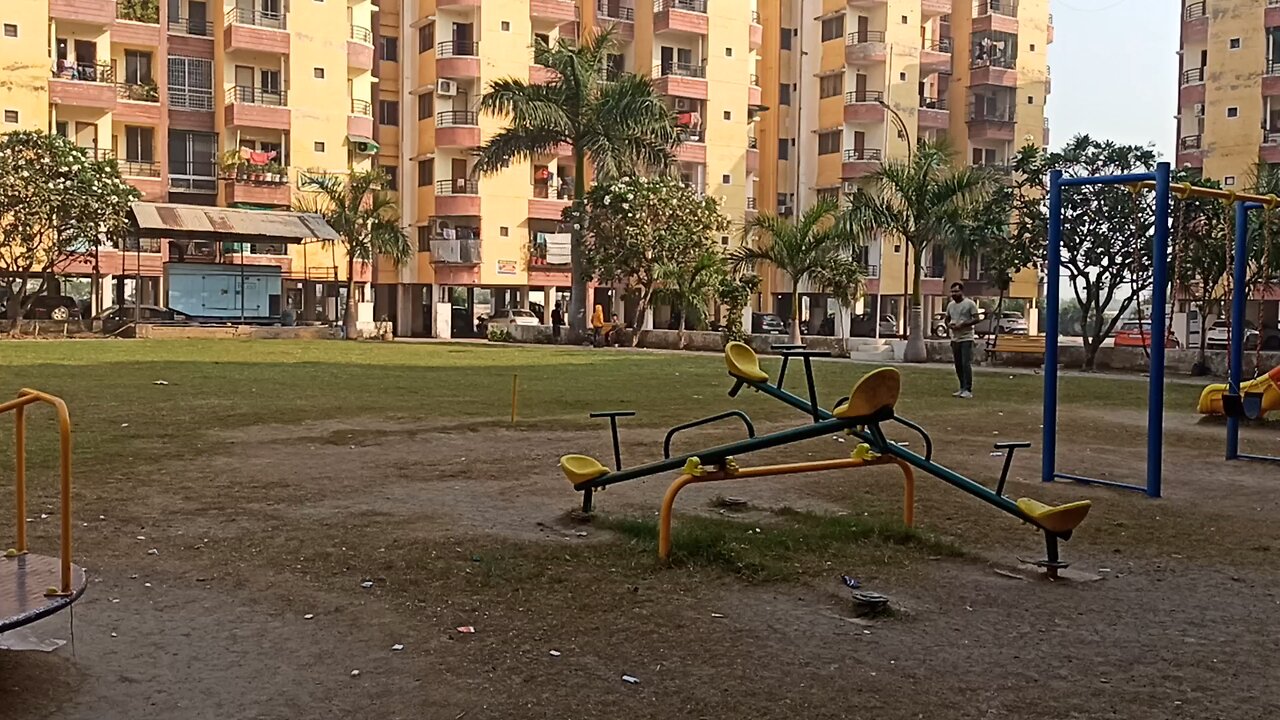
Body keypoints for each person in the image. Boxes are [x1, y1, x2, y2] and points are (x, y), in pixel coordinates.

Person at [945, 281, 981, 399]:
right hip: (955, 338)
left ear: (962, 291)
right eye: (952, 292)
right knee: (958, 364)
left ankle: (968, 389)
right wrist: (949, 325)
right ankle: (961, 387)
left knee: (966, 363)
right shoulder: (950, 305)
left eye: (956, 291)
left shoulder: (969, 304)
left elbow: (976, 318)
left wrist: (963, 324)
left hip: (966, 337)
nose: (954, 294)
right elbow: (947, 318)